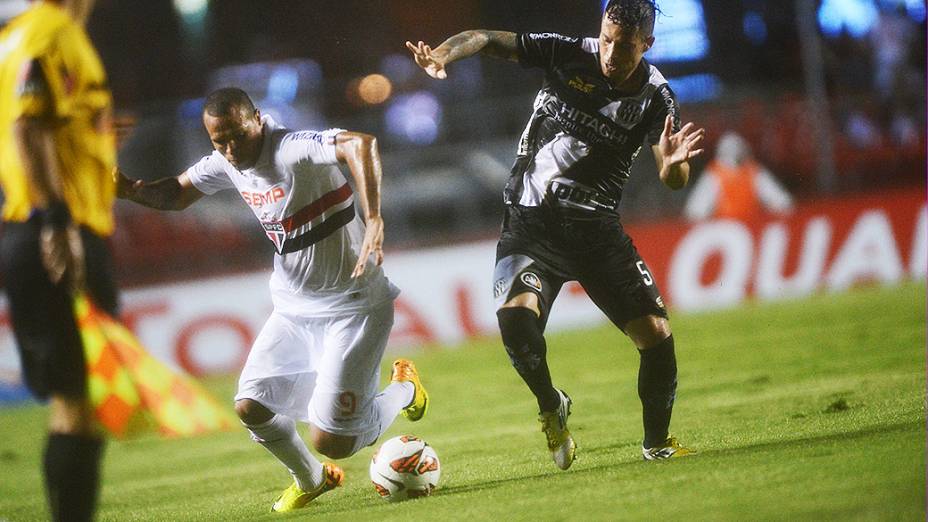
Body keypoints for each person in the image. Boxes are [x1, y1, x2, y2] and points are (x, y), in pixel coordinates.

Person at [407, 0, 704, 468]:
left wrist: (672, 167)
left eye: (624, 46)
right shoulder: (567, 54)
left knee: (657, 337)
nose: (610, 52)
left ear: (647, 45)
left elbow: (674, 176)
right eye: (606, 39)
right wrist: (444, 54)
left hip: (596, 233)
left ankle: (658, 443)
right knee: (515, 324)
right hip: (530, 224)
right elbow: (485, 38)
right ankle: (551, 405)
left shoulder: (656, 97)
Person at [114, 88, 428, 512]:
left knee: (332, 441)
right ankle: (310, 479)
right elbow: (175, 194)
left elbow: (362, 144)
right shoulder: (225, 162)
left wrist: (373, 216)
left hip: (353, 307)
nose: (229, 149)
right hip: (294, 309)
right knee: (250, 405)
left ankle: (404, 390)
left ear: (258, 120)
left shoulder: (292, 148)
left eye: (237, 136)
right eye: (218, 141)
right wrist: (128, 189)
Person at [0, 1, 118, 520]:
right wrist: (56, 221)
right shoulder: (53, 34)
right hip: (55, 229)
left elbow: (41, 124)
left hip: (39, 225)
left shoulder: (22, 35)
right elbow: (29, 129)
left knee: (78, 400)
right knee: (76, 401)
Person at [683, 131, 793, 222]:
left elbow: (782, 202)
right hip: (726, 228)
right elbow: (695, 211)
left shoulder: (754, 171)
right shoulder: (714, 174)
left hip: (752, 226)